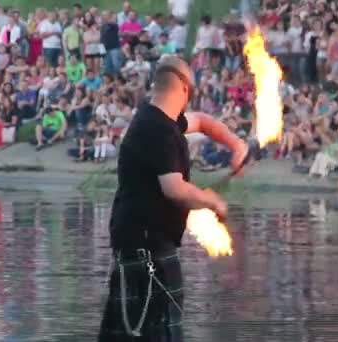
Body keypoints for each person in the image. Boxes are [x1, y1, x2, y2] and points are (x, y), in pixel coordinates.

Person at [98, 56, 247, 342]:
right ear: (182, 88)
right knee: (156, 331)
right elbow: (174, 189)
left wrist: (236, 144)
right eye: (190, 89)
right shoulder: (159, 131)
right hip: (146, 246)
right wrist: (213, 201)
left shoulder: (155, 117)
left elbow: (203, 122)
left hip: (142, 242)